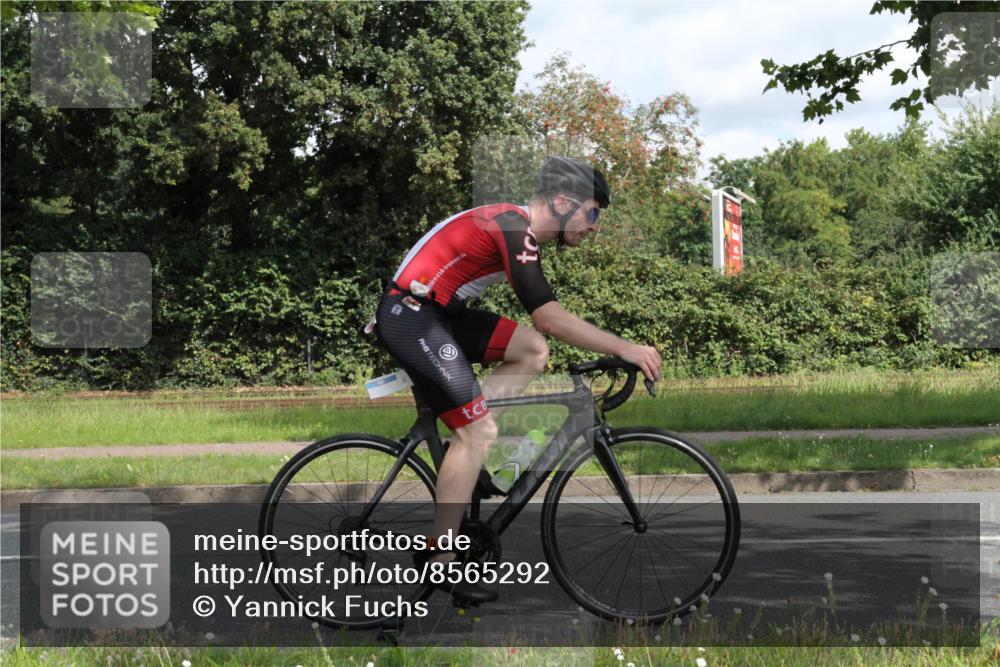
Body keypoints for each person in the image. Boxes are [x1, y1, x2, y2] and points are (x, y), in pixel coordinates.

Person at [373, 156, 662, 603]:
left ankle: (465, 449)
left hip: (439, 314)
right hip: (412, 316)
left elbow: (540, 331)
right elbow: (549, 316)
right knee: (479, 430)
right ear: (565, 203)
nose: (595, 225)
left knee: (531, 350)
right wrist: (623, 347)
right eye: (593, 212)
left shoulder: (517, 230)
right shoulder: (513, 227)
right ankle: (439, 558)